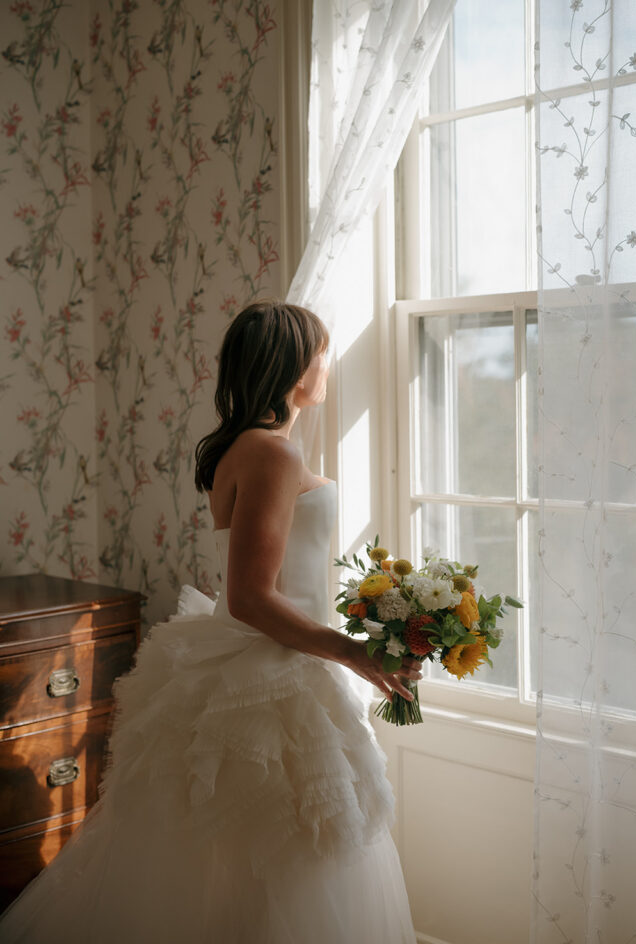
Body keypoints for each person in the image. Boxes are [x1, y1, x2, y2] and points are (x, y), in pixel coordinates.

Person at [0, 300, 420, 943]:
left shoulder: (242, 448)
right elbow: (251, 597)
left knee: (229, 858)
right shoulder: (273, 456)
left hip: (270, 651)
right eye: (321, 354)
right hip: (272, 666)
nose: (327, 365)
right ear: (292, 367)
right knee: (288, 853)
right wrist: (351, 652)